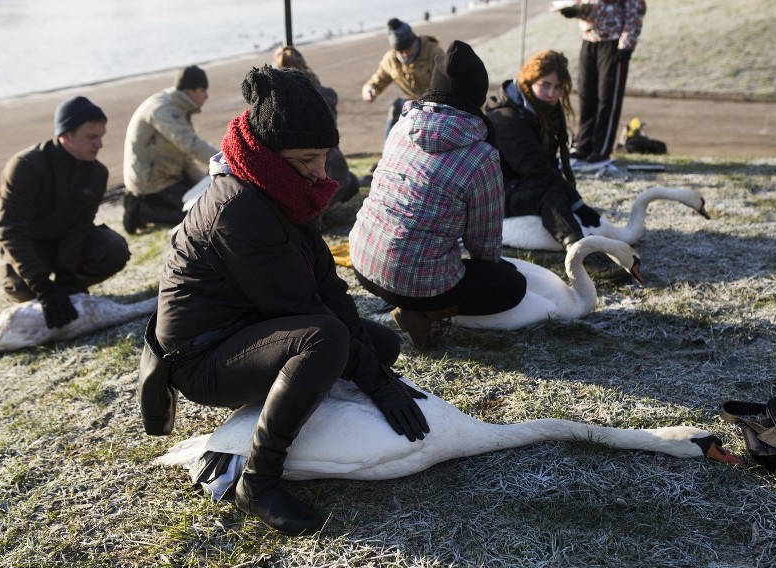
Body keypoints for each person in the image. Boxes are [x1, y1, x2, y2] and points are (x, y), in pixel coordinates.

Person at [154, 66, 429, 536]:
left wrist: (378, 376)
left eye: (325, 156)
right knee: (325, 340)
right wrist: (376, 384)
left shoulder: (280, 187)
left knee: (377, 347)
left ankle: (301, 395)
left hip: (247, 326)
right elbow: (302, 307)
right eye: (308, 159)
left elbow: (328, 286)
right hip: (202, 357)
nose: (323, 173)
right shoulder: (238, 207)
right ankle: (258, 483)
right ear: (270, 152)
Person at [349, 40, 527, 349]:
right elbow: (483, 246)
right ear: (478, 97)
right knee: (512, 285)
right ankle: (422, 314)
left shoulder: (402, 125)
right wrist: (490, 270)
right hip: (411, 284)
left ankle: (414, 303)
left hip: (362, 262)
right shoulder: (481, 155)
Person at [0, 96, 130, 329]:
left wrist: (67, 275)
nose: (100, 145)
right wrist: (42, 286)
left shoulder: (97, 173)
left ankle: (70, 287)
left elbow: (80, 227)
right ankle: (45, 290)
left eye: (101, 137)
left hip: (64, 245)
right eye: (92, 137)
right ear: (65, 136)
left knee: (113, 250)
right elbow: (10, 231)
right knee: (23, 292)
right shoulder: (25, 166)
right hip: (30, 248)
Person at [484, 50, 622, 278]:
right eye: (545, 85)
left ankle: (580, 243)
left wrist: (573, 200)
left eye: (558, 88)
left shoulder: (543, 109)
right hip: (495, 192)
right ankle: (580, 253)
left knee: (552, 187)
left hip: (521, 182)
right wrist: (577, 203)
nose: (552, 93)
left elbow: (547, 164)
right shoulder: (506, 118)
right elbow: (536, 169)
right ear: (528, 80)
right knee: (548, 192)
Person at [122, 65, 219, 234]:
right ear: (190, 90)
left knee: (206, 201)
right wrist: (224, 161)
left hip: (168, 173)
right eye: (203, 90)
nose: (207, 96)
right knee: (192, 215)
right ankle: (139, 210)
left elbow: (185, 155)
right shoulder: (163, 109)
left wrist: (207, 181)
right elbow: (190, 144)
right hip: (151, 180)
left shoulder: (177, 107)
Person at [273, 45, 359, 219]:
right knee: (350, 182)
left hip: (300, 182)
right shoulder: (326, 96)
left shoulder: (278, 105)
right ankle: (327, 208)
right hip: (333, 172)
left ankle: (322, 209)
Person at [559, 0, 647, 166]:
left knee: (607, 97)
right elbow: (588, 6)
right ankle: (583, 146)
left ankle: (602, 150)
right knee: (586, 94)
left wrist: (626, 44)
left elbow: (635, 9)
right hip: (589, 39)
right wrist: (575, 11)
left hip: (613, 42)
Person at [360, 18, 444, 185]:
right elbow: (378, 80)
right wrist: (370, 90)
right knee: (395, 107)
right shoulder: (390, 59)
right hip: (414, 104)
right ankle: (388, 156)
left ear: (415, 40)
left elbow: (447, 79)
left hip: (438, 103)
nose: (406, 54)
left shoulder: (433, 51)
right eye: (401, 51)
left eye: (409, 49)